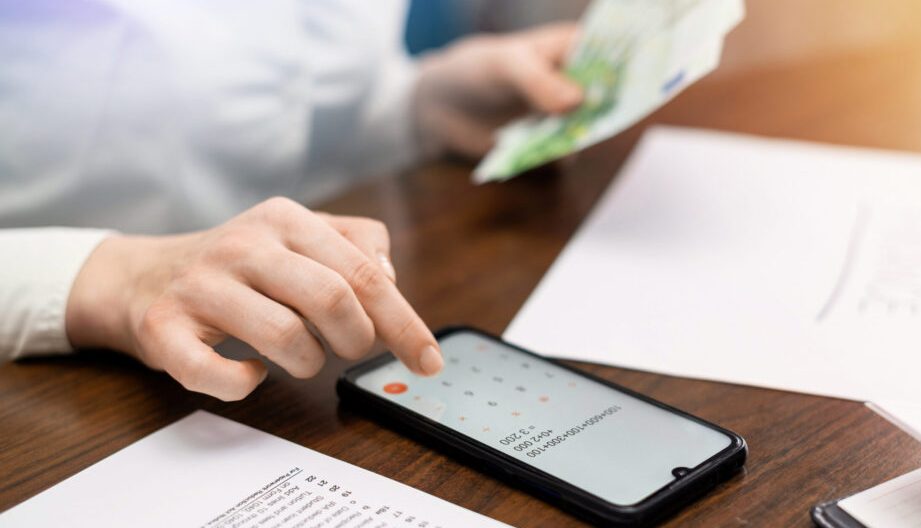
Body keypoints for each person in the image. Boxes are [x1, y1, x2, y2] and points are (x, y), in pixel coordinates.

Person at [0, 1, 583, 400]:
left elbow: (293, 109)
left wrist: (418, 110)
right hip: (65, 395)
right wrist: (114, 278)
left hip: (300, 371)